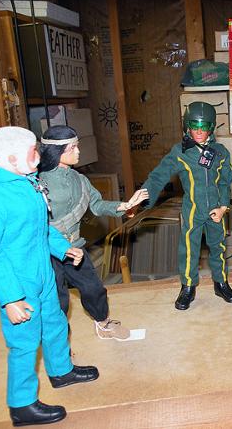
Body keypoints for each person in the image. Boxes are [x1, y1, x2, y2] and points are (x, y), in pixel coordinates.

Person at [0, 126, 99, 427]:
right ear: (12, 158)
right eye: (33, 152)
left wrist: (63, 248)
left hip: (43, 276)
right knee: (24, 344)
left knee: (55, 325)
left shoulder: (30, 185)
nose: (39, 157)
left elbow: (42, 229)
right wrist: (10, 298)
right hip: (19, 284)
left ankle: (61, 370)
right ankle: (22, 405)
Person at [39, 125, 149, 340]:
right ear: (57, 151)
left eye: (77, 146)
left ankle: (103, 323)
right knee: (57, 299)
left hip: (76, 246)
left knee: (93, 288)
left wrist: (125, 205)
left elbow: (97, 205)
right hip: (48, 250)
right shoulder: (39, 183)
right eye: (73, 148)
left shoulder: (80, 180)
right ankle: (59, 343)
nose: (78, 152)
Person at [142, 102, 232, 310]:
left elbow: (225, 182)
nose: (199, 132)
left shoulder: (220, 152)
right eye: (194, 127)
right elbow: (159, 175)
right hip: (193, 209)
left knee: (218, 247)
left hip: (215, 210)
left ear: (211, 128)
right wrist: (142, 199)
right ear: (187, 126)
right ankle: (188, 287)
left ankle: (221, 283)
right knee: (188, 249)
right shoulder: (180, 152)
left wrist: (223, 207)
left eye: (204, 127)